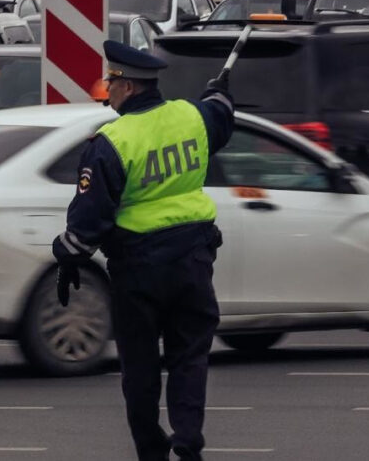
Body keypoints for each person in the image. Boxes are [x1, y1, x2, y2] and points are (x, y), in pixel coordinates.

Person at [52, 40, 234, 461]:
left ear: (129, 87)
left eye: (110, 84)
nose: (107, 92)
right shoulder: (190, 116)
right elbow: (220, 116)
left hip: (139, 269)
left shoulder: (112, 142)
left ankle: (152, 451)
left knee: (140, 367)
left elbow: (90, 220)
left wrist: (67, 256)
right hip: (193, 260)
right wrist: (220, 92)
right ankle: (188, 438)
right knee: (189, 356)